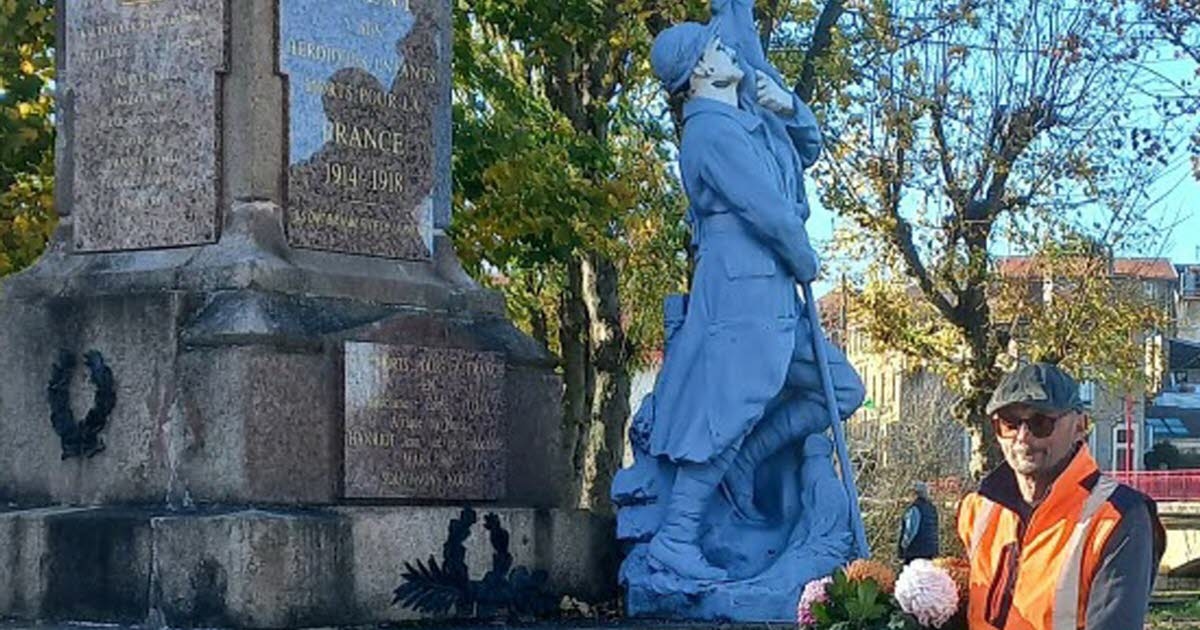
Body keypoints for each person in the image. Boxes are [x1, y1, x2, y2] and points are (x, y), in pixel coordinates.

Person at [643, 19, 864, 582]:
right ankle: (675, 538)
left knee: (841, 389)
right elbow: (767, 208)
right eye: (715, 46)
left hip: (771, 291)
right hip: (741, 287)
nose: (727, 47)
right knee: (729, 405)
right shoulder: (710, 134)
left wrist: (787, 104)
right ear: (700, 71)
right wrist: (803, 256)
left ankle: (747, 458)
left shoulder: (744, 118)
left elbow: (804, 152)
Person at [957, 362, 1166, 629]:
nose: (1022, 437)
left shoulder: (1119, 516)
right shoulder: (977, 509)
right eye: (1008, 424)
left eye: (1040, 423)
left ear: (1080, 426)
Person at [899, 481, 939, 563]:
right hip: (930, 551)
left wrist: (903, 547)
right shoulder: (932, 508)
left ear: (915, 493)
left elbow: (910, 530)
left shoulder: (915, 509)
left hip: (915, 551)